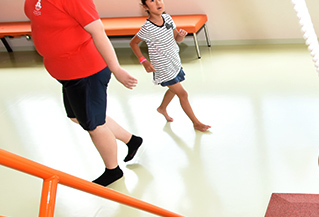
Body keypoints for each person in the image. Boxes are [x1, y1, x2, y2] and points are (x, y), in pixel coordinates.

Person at [24, 0, 144, 187]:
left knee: (93, 125)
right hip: (66, 73)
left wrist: (116, 69)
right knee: (76, 116)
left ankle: (113, 171)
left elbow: (98, 33)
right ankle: (131, 140)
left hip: (86, 71)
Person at [130, 0, 210, 132]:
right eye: (152, 1)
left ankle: (162, 108)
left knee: (174, 88)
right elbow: (133, 43)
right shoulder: (147, 28)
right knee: (183, 94)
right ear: (145, 7)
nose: (157, 3)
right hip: (162, 67)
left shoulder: (167, 18)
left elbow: (176, 39)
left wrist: (180, 36)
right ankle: (196, 123)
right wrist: (144, 61)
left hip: (174, 61)